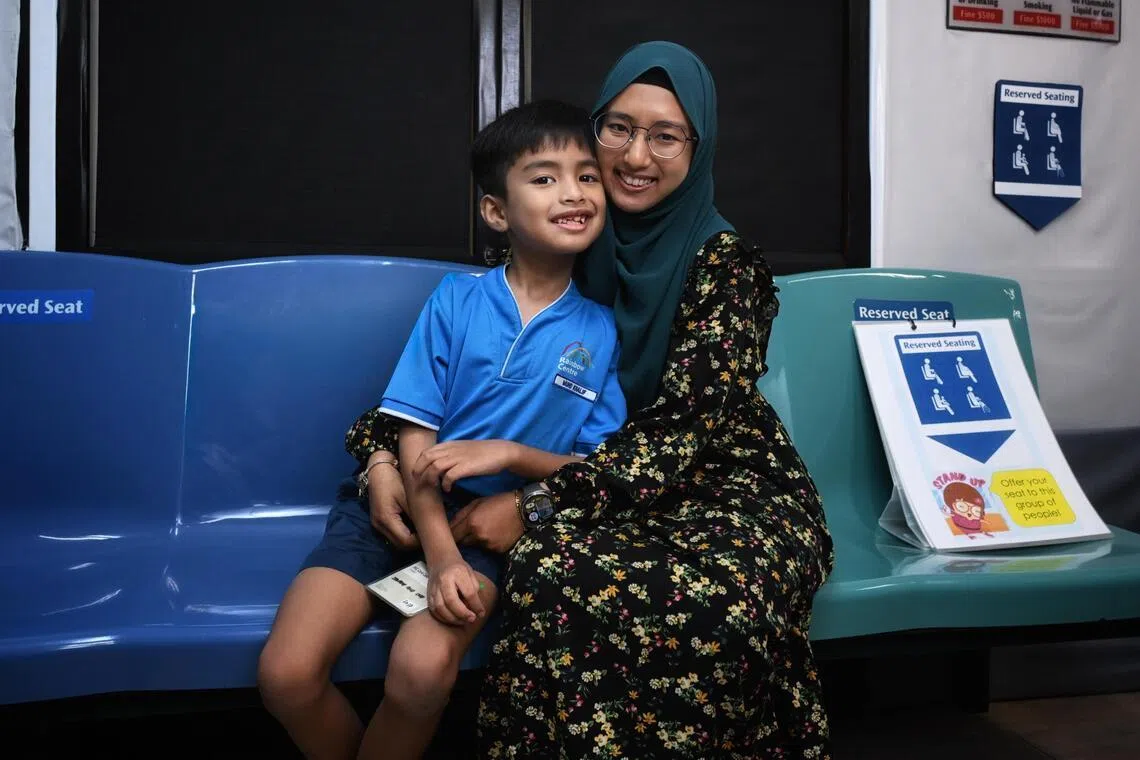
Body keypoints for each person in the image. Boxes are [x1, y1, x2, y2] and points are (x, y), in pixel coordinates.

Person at [349, 41, 835, 758]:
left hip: (721, 492)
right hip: (595, 479)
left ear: (698, 149)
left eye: (666, 136)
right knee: (549, 572)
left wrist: (532, 503)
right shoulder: (575, 244)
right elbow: (454, 385)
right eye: (619, 129)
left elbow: (675, 439)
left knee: (707, 602)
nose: (637, 156)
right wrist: (381, 457)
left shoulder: (726, 266)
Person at [258, 99, 626, 760]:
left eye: (586, 176)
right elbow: (414, 441)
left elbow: (598, 470)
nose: (572, 192)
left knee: (422, 670)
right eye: (544, 178)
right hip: (394, 513)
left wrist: (514, 457)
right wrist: (440, 557)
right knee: (286, 673)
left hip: (492, 536)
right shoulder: (455, 301)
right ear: (496, 211)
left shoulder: (600, 331)